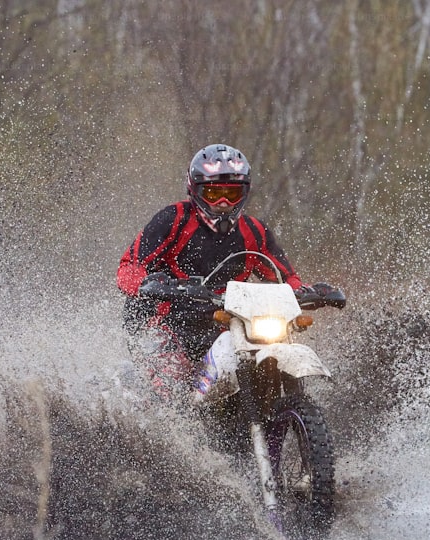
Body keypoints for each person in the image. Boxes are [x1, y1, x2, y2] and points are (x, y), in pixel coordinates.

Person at [116, 143, 310, 397]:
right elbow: (129, 266)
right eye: (213, 193)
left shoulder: (254, 232)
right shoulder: (174, 220)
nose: (222, 203)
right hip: (167, 322)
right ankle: (163, 430)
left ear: (244, 193)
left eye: (231, 194)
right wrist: (146, 285)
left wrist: (305, 292)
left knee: (270, 348)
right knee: (174, 395)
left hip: (227, 324)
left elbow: (286, 277)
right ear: (195, 190)